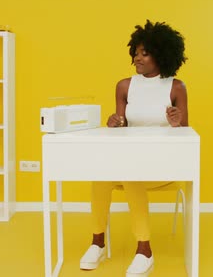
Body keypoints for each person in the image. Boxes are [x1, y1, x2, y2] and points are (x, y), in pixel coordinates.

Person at [80, 20, 188, 276]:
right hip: (132, 160)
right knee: (102, 176)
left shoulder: (176, 87)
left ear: (161, 55)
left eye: (145, 53)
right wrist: (114, 123)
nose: (137, 58)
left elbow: (186, 137)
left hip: (162, 166)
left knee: (131, 173)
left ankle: (145, 250)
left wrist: (176, 123)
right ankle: (97, 242)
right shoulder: (124, 86)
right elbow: (122, 128)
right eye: (136, 53)